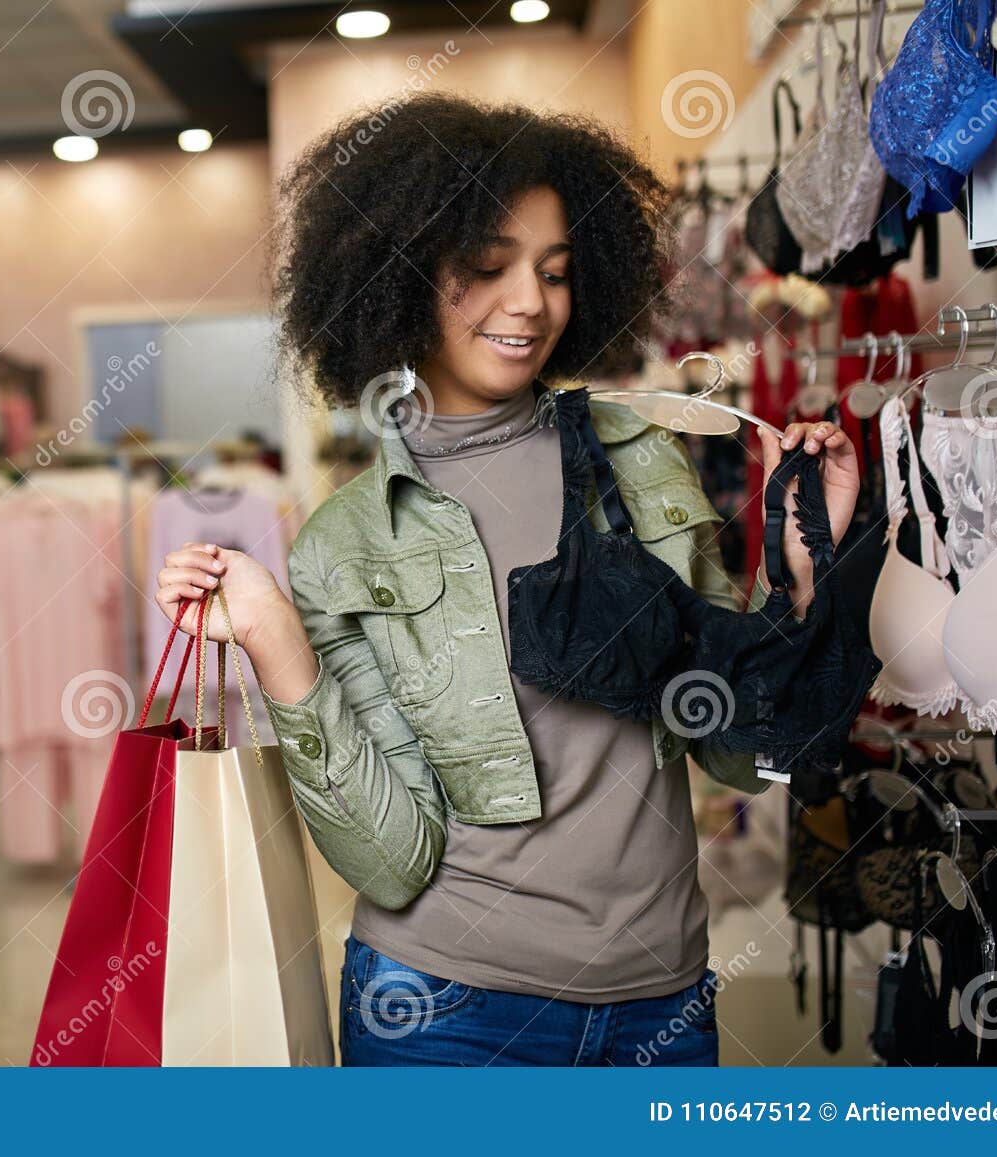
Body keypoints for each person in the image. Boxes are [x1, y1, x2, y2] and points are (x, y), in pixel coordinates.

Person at [152, 94, 859, 1067]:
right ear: (395, 280)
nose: (529, 300)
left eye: (556, 271)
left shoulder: (642, 459)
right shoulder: (346, 541)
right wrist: (279, 642)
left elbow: (748, 756)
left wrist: (803, 571)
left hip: (660, 1002)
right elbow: (390, 862)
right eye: (488, 268)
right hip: (443, 1015)